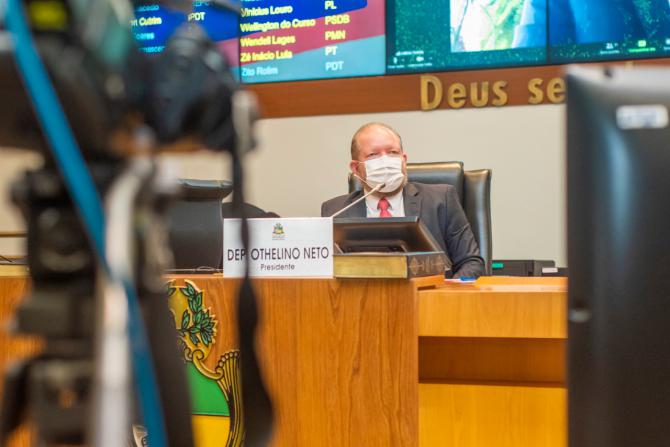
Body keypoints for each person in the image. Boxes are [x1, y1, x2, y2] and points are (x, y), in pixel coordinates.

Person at [321, 122, 485, 278]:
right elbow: (324, 271)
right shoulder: (334, 211)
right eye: (373, 154)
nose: (385, 161)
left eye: (393, 152)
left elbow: (472, 264)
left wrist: (442, 292)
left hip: (430, 295)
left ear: (404, 160)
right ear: (356, 168)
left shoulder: (441, 200)